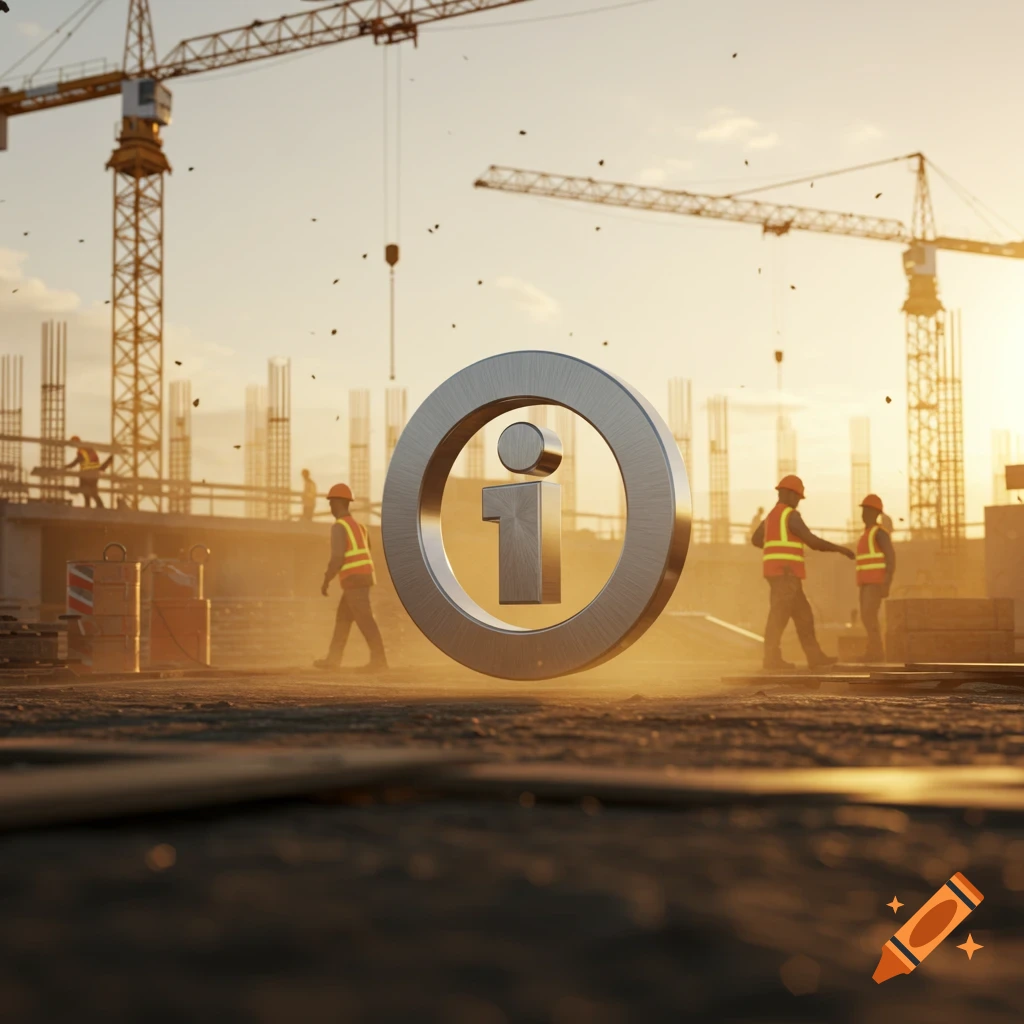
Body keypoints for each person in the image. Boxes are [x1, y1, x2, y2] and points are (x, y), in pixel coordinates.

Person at [751, 474, 856, 670]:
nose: (799, 501)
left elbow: (756, 540)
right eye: (798, 497)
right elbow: (812, 541)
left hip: (781, 574)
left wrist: (774, 550)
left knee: (804, 617)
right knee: (778, 617)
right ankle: (771, 659)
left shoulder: (771, 517)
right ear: (790, 494)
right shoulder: (790, 515)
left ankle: (814, 657)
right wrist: (840, 549)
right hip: (786, 575)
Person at [314, 482, 388, 672]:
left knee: (365, 619)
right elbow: (367, 550)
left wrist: (326, 580)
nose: (330, 506)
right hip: (363, 578)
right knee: (343, 620)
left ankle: (379, 660)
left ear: (338, 503)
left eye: (331, 502)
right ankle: (333, 660)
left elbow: (337, 557)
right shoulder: (360, 527)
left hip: (354, 580)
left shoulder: (339, 527)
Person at [856, 493, 896, 663]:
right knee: (867, 617)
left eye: (867, 511)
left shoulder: (880, 534)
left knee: (869, 617)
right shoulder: (867, 534)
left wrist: (886, 583)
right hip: (865, 584)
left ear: (875, 513)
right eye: (863, 510)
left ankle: (876, 652)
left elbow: (890, 559)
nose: (864, 514)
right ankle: (873, 651)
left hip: (875, 583)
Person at [63, 436, 112, 509]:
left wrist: (66, 467)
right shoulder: (88, 448)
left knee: (86, 490)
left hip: (86, 473)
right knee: (93, 491)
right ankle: (99, 506)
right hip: (94, 473)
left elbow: (76, 461)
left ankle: (89, 506)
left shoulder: (81, 450)